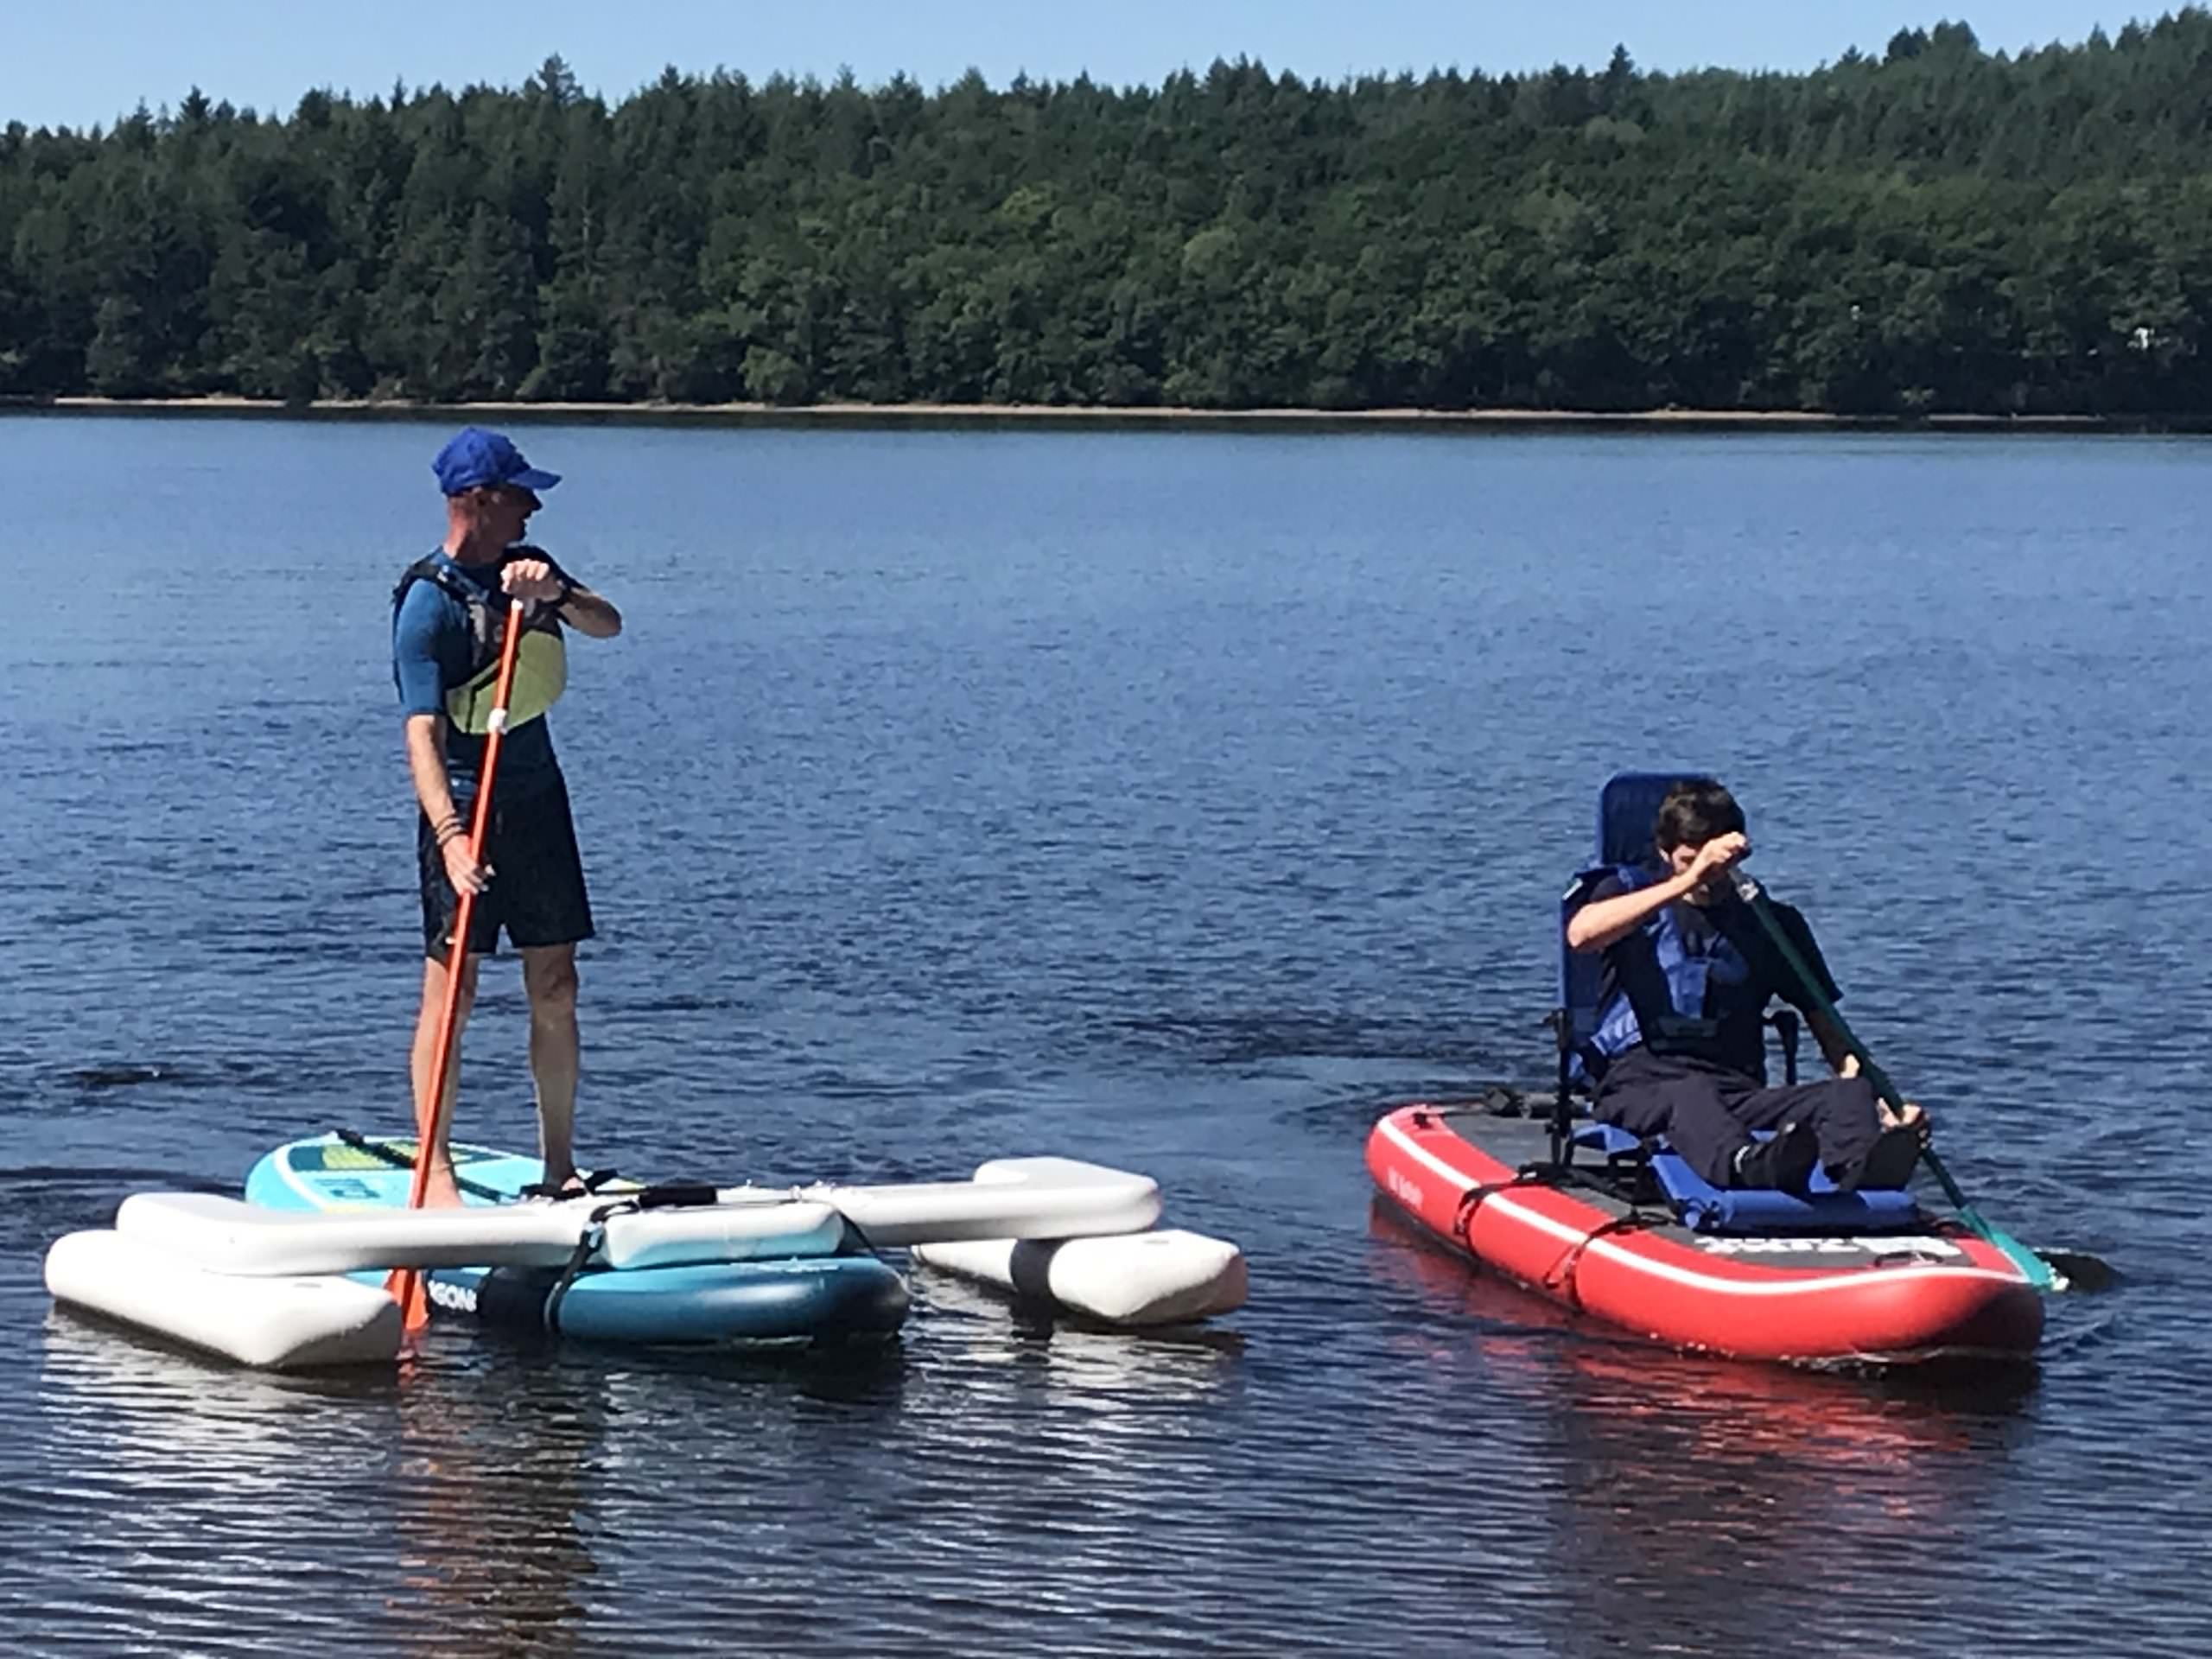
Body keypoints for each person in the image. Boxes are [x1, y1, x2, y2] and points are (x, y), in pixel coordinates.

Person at [391, 428, 623, 1206]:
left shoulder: (535, 571)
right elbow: (420, 732)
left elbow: (608, 624)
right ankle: (438, 1172)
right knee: (452, 991)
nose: (533, 505)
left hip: (536, 799)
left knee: (556, 984)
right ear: (479, 501)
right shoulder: (427, 604)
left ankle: (559, 1166)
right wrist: (451, 839)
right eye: (519, 494)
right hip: (463, 804)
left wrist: (553, 594)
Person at [1565, 779, 1927, 1193]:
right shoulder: (1626, 898)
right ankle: (1745, 1167)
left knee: (1848, 1095)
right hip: (1641, 1087)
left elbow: (1832, 1036)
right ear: (1665, 854)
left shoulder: (1773, 924)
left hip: (1738, 1093)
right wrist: (1685, 881)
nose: (1710, 877)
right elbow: (1581, 935)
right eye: (1689, 860)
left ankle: (1859, 1173)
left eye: (1718, 864)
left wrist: (1884, 1105)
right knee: (1690, 1094)